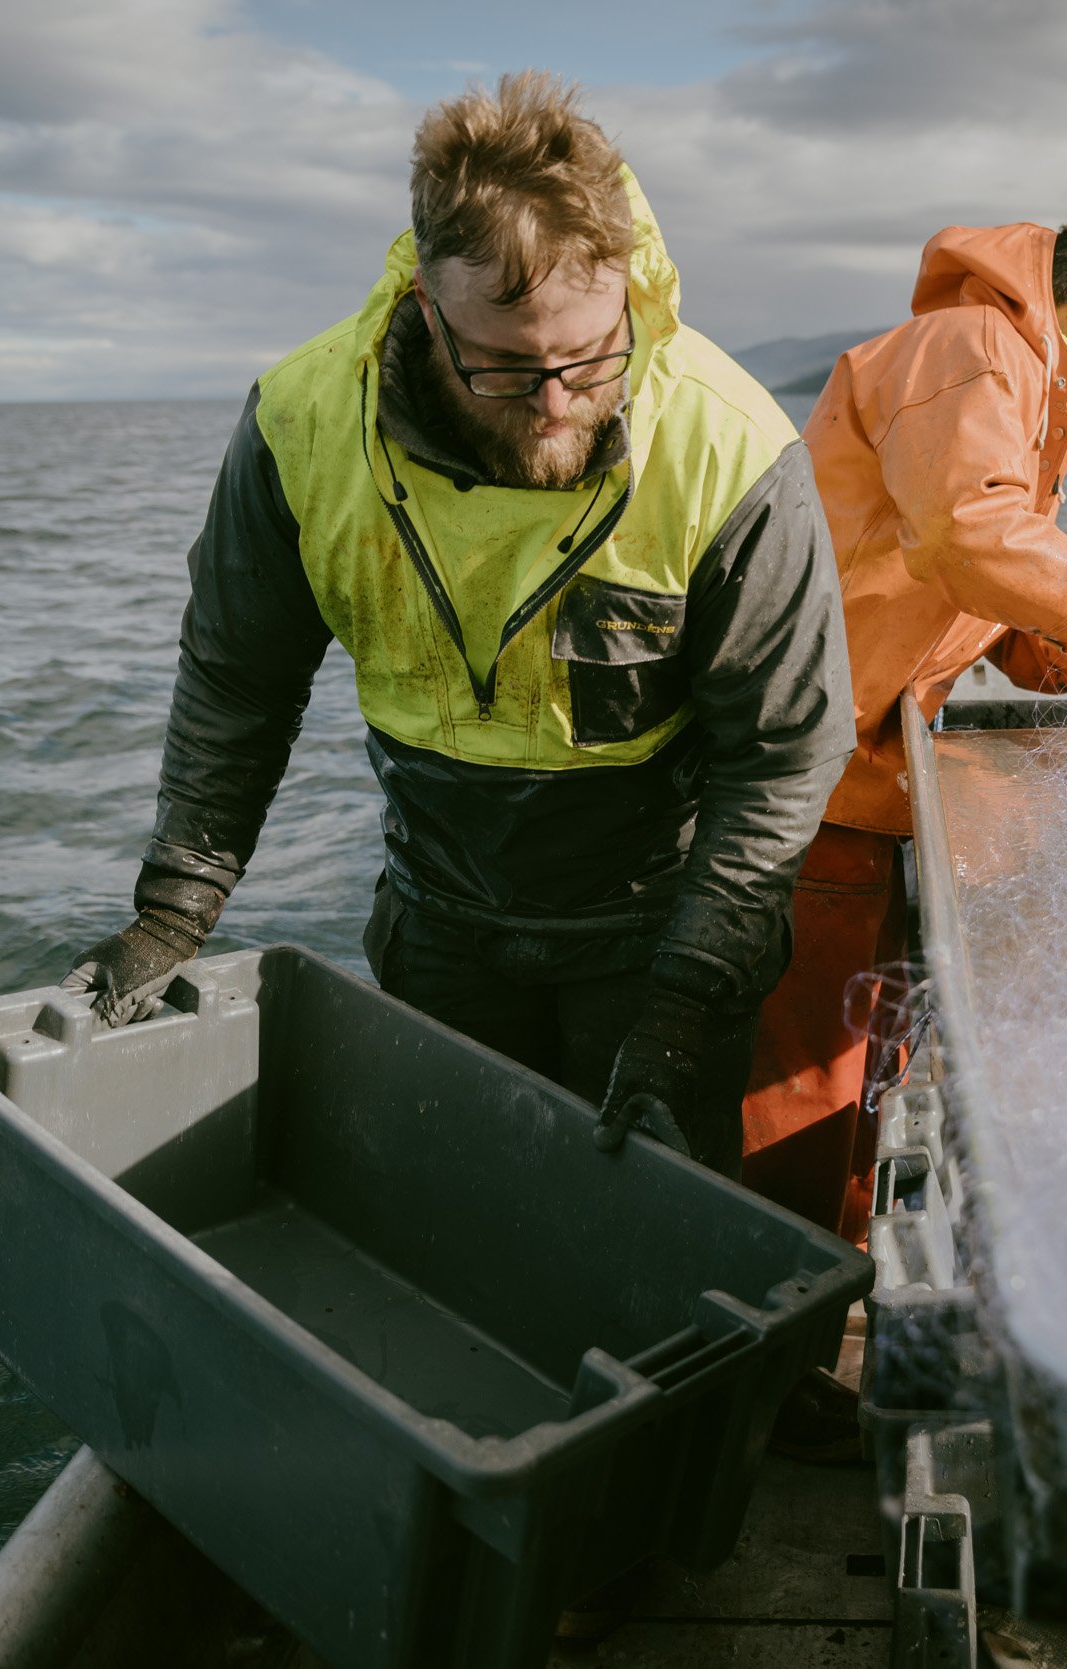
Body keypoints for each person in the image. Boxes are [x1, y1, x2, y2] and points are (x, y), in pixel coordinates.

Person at [63, 72, 852, 1184]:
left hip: (658, 933)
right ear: (428, 310)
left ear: (626, 292)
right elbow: (239, 680)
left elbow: (784, 753)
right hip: (438, 917)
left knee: (656, 1231)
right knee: (465, 1201)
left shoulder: (730, 447)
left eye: (589, 357)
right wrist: (173, 912)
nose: (555, 402)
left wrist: (683, 1006)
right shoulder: (300, 423)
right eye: (508, 364)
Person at [742, 208, 1067, 1239]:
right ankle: (786, 1311)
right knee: (808, 1071)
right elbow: (972, 535)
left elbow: (981, 592)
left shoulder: (1010, 382)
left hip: (863, 762)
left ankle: (844, 1263)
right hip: (808, 764)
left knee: (866, 1047)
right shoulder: (974, 348)